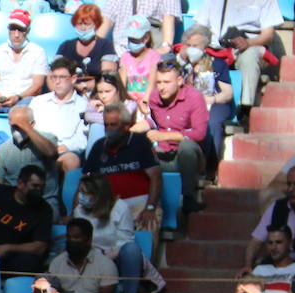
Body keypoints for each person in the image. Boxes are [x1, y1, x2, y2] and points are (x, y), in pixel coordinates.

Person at [198, 0, 284, 131]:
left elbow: (268, 36)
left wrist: (248, 42)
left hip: (248, 46)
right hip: (215, 48)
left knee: (249, 57)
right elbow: (199, 27)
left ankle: (245, 108)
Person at [71, 173, 144, 293]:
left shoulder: (120, 207)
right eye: (80, 192)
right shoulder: (79, 210)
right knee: (103, 269)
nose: (81, 197)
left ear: (98, 194)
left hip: (116, 255)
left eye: (85, 193)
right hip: (91, 257)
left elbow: (125, 241)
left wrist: (107, 257)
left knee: (132, 250)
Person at [140, 60, 207, 215]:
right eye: (159, 82)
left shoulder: (194, 97)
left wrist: (165, 136)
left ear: (179, 81)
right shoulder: (155, 97)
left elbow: (199, 133)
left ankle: (188, 197)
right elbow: (152, 122)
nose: (162, 87)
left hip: (188, 156)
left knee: (187, 146)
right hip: (163, 153)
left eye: (166, 82)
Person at [83, 103, 162, 230]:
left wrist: (150, 207)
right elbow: (85, 182)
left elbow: (156, 177)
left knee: (150, 224)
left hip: (140, 204)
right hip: (107, 205)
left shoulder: (140, 142)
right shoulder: (99, 146)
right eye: (106, 125)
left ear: (126, 126)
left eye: (113, 125)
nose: (108, 129)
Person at [10, 56, 88, 176]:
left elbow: (81, 139)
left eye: (62, 77)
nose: (57, 82)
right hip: (35, 149)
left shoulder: (83, 105)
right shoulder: (38, 102)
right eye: (54, 77)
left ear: (73, 79)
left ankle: (69, 195)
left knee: (71, 161)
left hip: (62, 153)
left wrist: (63, 147)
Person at [179, 23, 234, 182]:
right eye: (188, 45)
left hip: (214, 102)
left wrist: (210, 100)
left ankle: (210, 168)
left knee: (212, 122)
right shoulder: (181, 65)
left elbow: (227, 93)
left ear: (205, 46)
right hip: (188, 104)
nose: (191, 49)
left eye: (195, 46)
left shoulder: (217, 64)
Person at [245, 165, 295, 269]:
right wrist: (248, 267)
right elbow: (255, 242)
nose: (291, 189)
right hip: (277, 265)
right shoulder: (277, 207)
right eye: (289, 184)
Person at [46, 218, 117, 293]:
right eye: (69, 237)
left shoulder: (105, 264)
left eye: (76, 237)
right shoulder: (57, 263)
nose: (71, 241)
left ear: (88, 240)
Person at [59, 2, 117, 78]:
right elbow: (56, 72)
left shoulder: (105, 46)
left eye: (87, 24)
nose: (83, 28)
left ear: (96, 25)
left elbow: (108, 73)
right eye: (79, 24)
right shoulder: (66, 46)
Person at [99, 0, 177, 56]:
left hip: (150, 51)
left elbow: (169, 18)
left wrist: (165, 47)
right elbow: (106, 19)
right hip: (120, 51)